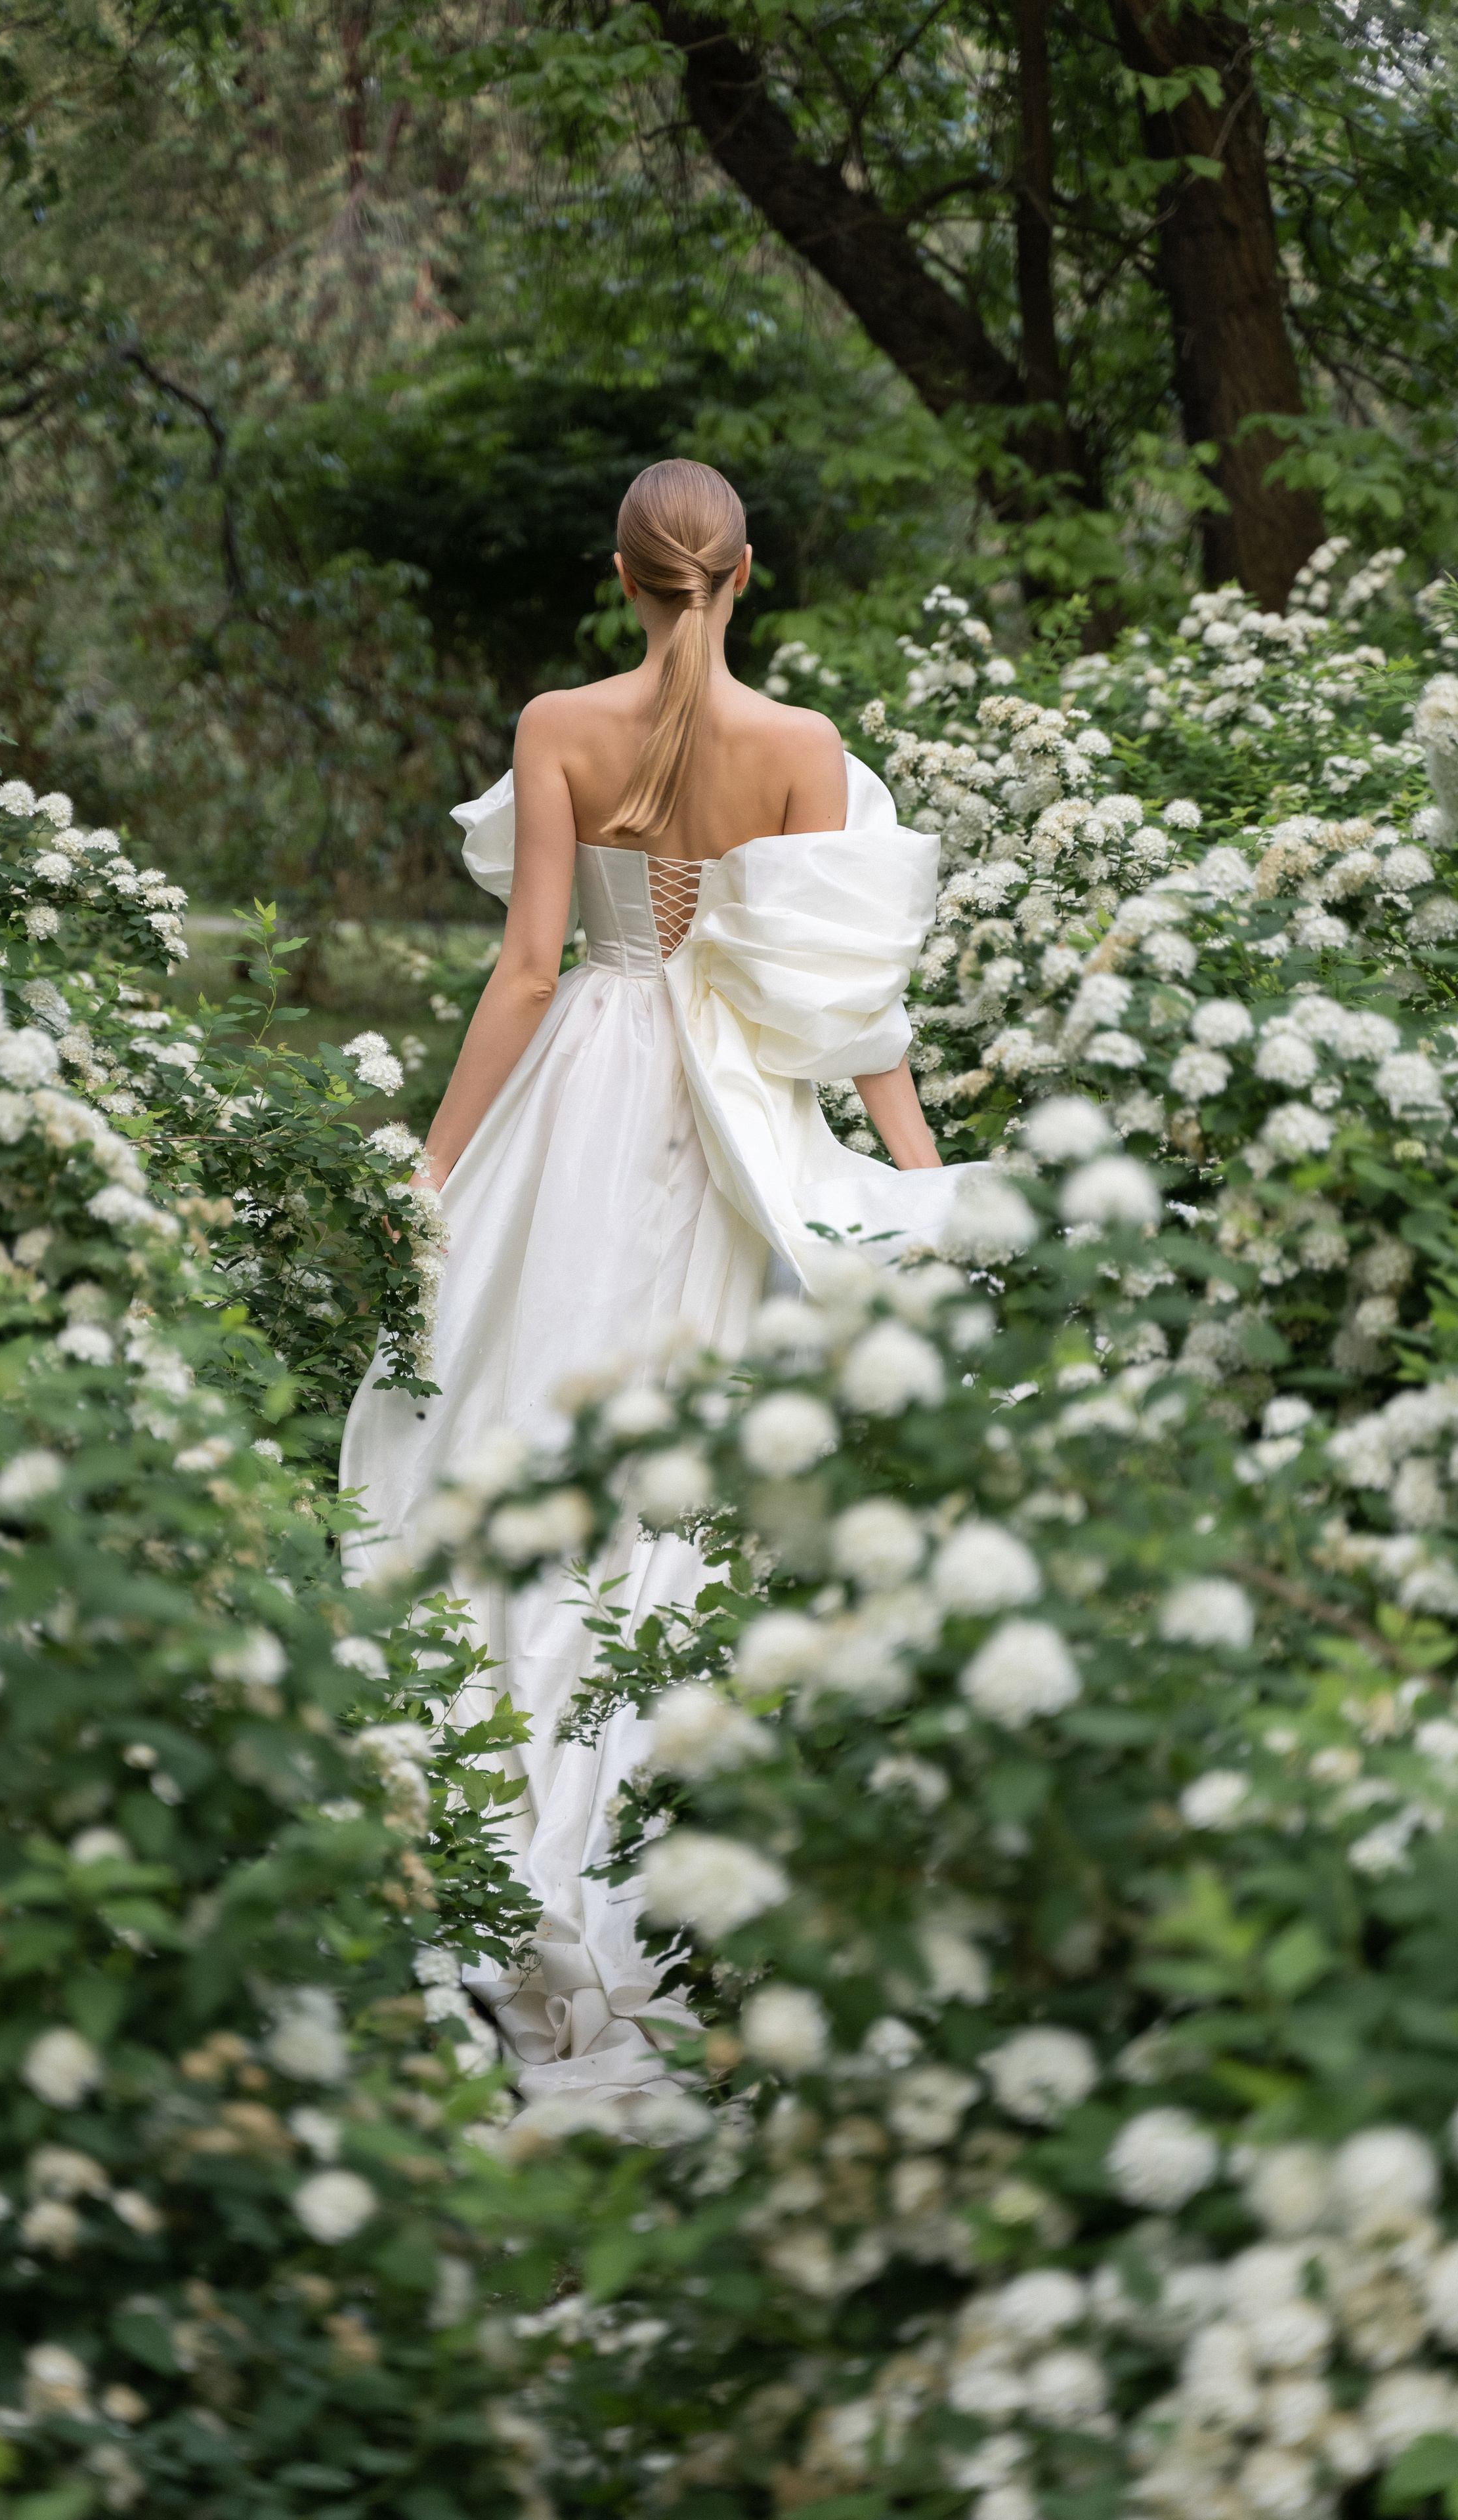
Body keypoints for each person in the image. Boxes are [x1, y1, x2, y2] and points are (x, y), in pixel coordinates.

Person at [340, 458, 979, 2111]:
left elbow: (528, 970)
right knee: (701, 1446)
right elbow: (838, 1007)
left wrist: (429, 1177)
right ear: (745, 574)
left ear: (619, 577)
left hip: (583, 1093)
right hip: (730, 1110)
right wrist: (917, 1191)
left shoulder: (559, 724)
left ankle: (485, 1783)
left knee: (519, 1410)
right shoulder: (803, 748)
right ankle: (668, 1810)